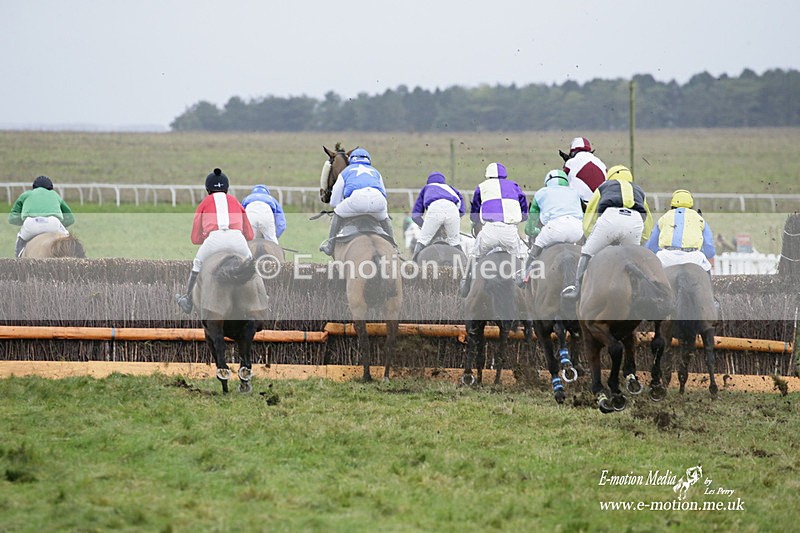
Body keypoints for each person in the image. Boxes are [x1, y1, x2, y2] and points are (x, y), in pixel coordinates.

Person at [561, 165, 654, 301]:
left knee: (586, 252)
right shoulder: (639, 190)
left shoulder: (604, 186)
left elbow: (591, 213)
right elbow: (648, 222)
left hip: (610, 218)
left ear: (610, 176)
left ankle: (577, 289)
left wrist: (589, 235)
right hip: (634, 222)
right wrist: (641, 240)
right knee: (632, 261)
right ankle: (638, 293)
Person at [175, 168, 254, 314]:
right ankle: (261, 297)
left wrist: (206, 237)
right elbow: (250, 235)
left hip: (214, 239)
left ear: (208, 189)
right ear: (227, 188)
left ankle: (188, 300)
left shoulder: (204, 203)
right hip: (237, 239)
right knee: (251, 263)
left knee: (197, 264)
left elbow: (195, 238)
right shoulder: (236, 202)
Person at [459, 162, 528, 297]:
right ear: (505, 175)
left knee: (474, 255)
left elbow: (474, 216)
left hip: (489, 231)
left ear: (487, 175)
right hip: (510, 231)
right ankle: (522, 280)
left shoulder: (481, 187)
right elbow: (524, 210)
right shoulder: (514, 186)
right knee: (521, 258)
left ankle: (465, 283)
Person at [319, 148, 396, 256]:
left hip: (357, 200)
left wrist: (343, 205)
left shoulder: (346, 172)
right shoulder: (376, 172)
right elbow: (383, 193)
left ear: (351, 160)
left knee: (337, 212)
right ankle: (393, 247)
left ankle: (330, 246)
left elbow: (334, 202)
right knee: (385, 218)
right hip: (378, 201)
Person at [519, 169, 583, 284]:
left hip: (554, 228)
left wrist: (536, 230)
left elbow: (529, 228)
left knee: (536, 247)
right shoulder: (575, 192)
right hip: (577, 230)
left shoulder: (541, 193)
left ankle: (525, 276)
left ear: (547, 182)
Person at [645, 189, 716, 272]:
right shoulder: (699, 219)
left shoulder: (664, 218)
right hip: (693, 258)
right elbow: (709, 249)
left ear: (672, 204)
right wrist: (704, 253)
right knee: (707, 270)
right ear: (691, 205)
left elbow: (651, 247)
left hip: (667, 257)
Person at [8, 175, 75, 257]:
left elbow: (12, 218)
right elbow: (70, 218)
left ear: (34, 187)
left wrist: (22, 220)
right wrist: (63, 222)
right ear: (50, 188)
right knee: (68, 239)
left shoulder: (26, 195)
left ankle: (17, 260)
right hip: (53, 223)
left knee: (20, 239)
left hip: (31, 224)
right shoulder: (55, 195)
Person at [410, 171, 465, 257]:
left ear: (428, 181)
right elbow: (462, 211)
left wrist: (427, 226)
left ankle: (413, 265)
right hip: (453, 210)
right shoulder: (451, 189)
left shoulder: (427, 188)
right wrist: (448, 225)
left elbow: (415, 215)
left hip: (435, 209)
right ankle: (466, 266)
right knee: (455, 242)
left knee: (423, 240)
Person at [560, 137, 608, 204]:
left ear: (573, 152)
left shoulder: (570, 163)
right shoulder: (601, 164)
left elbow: (561, 184)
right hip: (600, 204)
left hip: (579, 205)